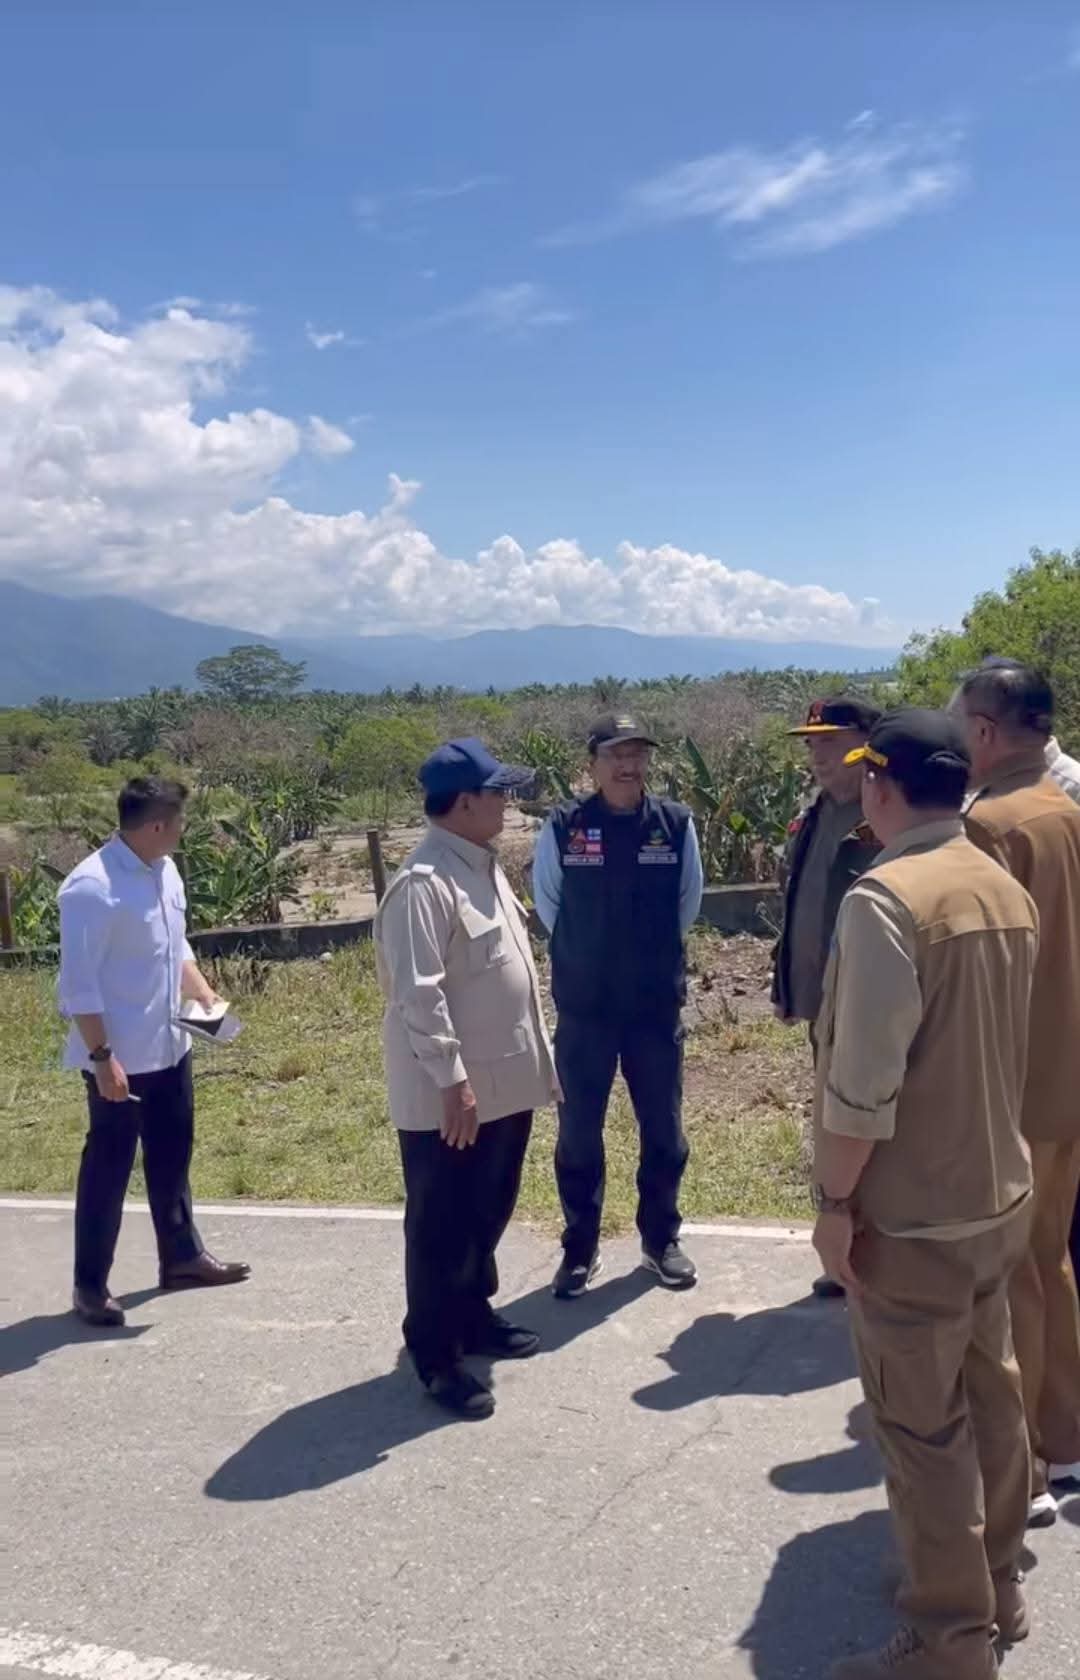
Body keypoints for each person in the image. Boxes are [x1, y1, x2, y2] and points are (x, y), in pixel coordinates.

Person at [812, 709, 1036, 1680]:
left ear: (882, 785)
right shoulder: (998, 884)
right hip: (996, 1193)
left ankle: (950, 1639)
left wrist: (831, 1204)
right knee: (994, 1400)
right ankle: (1000, 1588)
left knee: (921, 1428)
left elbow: (862, 1090)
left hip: (914, 1213)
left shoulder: (886, 899)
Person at [374, 738, 559, 1419]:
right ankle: (435, 1352)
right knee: (441, 1224)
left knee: (487, 1210)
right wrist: (452, 1082)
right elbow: (417, 996)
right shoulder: (424, 884)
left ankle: (473, 1314)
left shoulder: (480, 867)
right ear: (463, 803)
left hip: (502, 1087)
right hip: (451, 1098)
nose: (507, 802)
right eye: (498, 792)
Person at [955, 662, 1080, 1519]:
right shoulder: (1068, 812)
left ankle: (1027, 1462)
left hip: (1015, 1082)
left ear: (988, 734)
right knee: (1054, 1258)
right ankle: (1067, 1439)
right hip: (1069, 1076)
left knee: (1011, 1278)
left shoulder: (992, 827)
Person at [57, 777, 250, 1328]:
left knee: (172, 1157)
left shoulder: (162, 871)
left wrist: (202, 992)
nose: (184, 832)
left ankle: (182, 1257)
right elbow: (79, 987)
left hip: (170, 1044)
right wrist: (102, 1060)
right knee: (109, 1170)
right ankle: (90, 1285)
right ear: (158, 826)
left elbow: (174, 943)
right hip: (119, 1057)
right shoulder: (90, 889)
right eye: (180, 823)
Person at [532, 714, 703, 1298]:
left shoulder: (675, 825)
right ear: (593, 764)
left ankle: (661, 1240)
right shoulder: (564, 826)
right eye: (615, 755)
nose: (628, 765)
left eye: (636, 754)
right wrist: (591, 960)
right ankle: (579, 1249)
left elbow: (688, 904)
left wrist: (643, 961)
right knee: (579, 1133)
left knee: (664, 1130)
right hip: (585, 1012)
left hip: (655, 1010)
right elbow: (549, 906)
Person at [772, 695, 882, 1299]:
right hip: (826, 1005)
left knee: (876, 1127)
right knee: (834, 1124)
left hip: (874, 1003)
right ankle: (846, 1253)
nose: (816, 753)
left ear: (866, 740)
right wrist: (789, 985)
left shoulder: (885, 808)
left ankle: (880, 1253)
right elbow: (799, 907)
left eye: (829, 740)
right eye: (811, 742)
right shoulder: (816, 811)